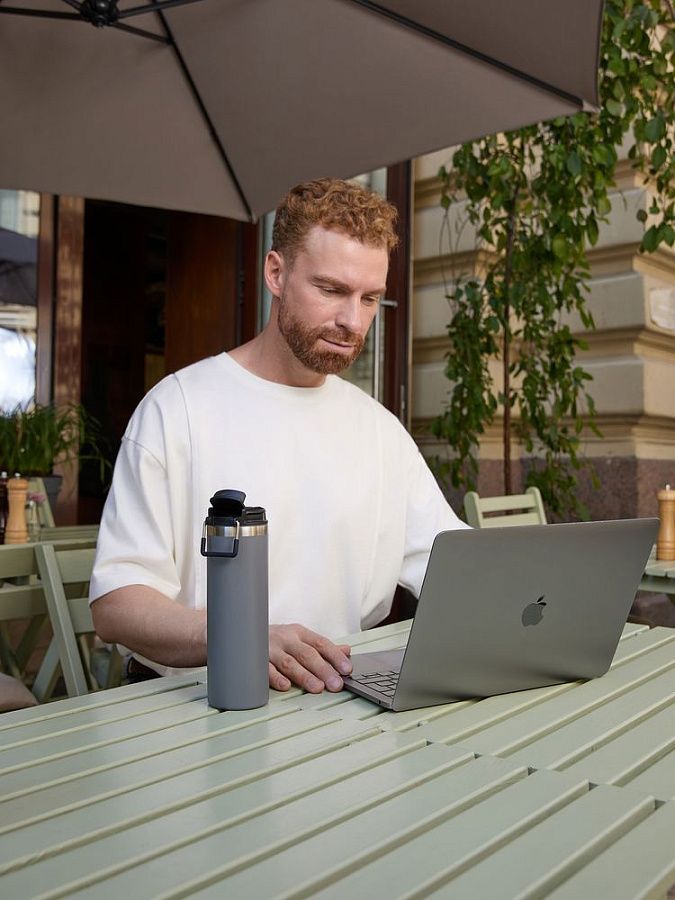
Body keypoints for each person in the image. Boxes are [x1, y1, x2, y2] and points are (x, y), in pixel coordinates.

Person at [90, 178, 468, 693]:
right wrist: (240, 634)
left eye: (370, 298)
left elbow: (456, 570)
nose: (352, 320)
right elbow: (116, 604)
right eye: (331, 290)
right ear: (276, 273)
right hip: (196, 704)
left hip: (338, 699)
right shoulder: (177, 409)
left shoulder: (380, 432)